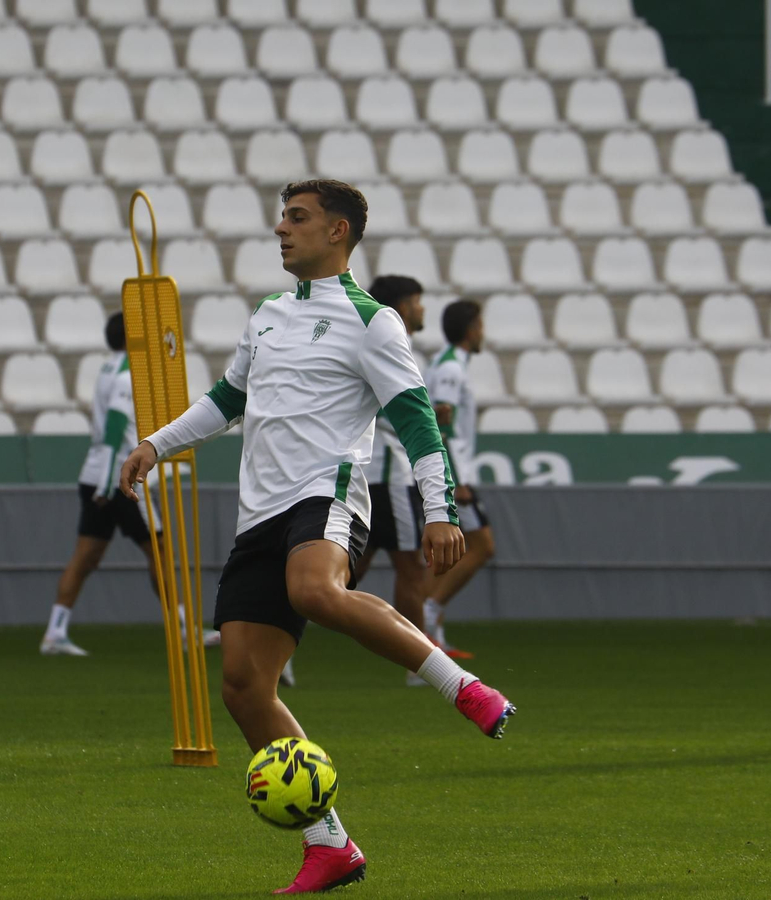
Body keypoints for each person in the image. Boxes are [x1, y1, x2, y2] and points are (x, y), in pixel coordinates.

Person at [117, 179, 516, 894]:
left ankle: (462, 687)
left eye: (297, 218)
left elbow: (418, 419)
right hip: (259, 513)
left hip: (328, 496)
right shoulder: (267, 316)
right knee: (242, 684)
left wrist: (440, 509)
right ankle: (330, 845)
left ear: (338, 231)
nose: (281, 229)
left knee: (314, 588)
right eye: (281, 217)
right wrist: (156, 443)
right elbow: (224, 404)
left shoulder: (374, 321)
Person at [40, 312, 165, 657]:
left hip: (94, 472)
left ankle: (55, 631)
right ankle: (183, 628)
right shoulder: (128, 374)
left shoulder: (107, 368)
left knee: (85, 557)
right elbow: (114, 429)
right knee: (160, 550)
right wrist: (108, 485)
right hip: (117, 478)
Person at [351, 275, 433, 686]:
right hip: (389, 477)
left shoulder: (370, 338)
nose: (422, 309)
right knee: (412, 569)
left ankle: (276, 638)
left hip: (368, 476)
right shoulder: (394, 344)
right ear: (402, 306)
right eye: (417, 301)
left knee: (341, 577)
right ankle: (417, 664)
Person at [420, 300, 497, 660]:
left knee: (454, 549)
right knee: (481, 545)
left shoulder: (447, 362)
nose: (483, 332)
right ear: (470, 329)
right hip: (455, 474)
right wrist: (454, 477)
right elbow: (440, 420)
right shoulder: (450, 367)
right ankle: (430, 611)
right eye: (481, 325)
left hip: (454, 470)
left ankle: (431, 623)